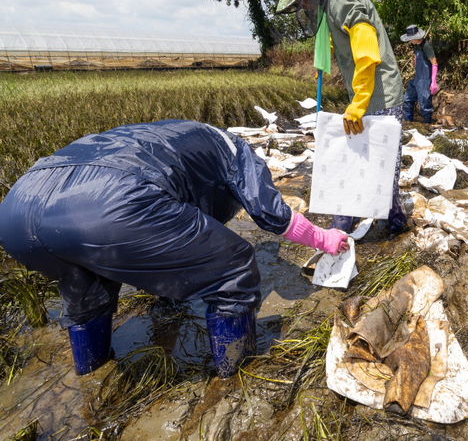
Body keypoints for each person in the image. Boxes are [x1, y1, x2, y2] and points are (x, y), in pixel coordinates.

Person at [0, 120, 348, 378]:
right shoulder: (235, 148)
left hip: (18, 210)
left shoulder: (170, 137)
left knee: (87, 287)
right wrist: (324, 239)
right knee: (234, 264)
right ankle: (235, 372)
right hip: (108, 202)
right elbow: (270, 213)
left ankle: (91, 376)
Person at [273, 0, 406, 234]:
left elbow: (367, 50)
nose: (303, 3)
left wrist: (358, 103)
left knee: (380, 169)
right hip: (369, 96)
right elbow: (345, 41)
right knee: (365, 164)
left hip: (380, 96)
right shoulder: (332, 0)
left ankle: (375, 227)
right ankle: (362, 226)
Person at [401, 24, 439, 123]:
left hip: (425, 81)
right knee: (407, 100)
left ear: (416, 37)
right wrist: (415, 60)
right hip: (417, 78)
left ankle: (428, 128)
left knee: (424, 106)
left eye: (411, 38)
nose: (410, 40)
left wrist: (433, 82)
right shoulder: (416, 45)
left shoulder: (426, 46)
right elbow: (418, 58)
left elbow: (434, 63)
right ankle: (408, 124)